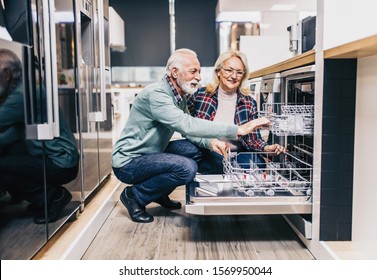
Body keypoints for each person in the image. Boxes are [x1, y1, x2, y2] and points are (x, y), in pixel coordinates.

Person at [112, 48, 270, 223]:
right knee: (186, 168)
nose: (199, 77)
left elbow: (188, 129)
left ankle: (159, 193)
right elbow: (186, 124)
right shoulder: (157, 94)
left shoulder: (179, 97)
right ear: (174, 72)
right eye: (193, 71)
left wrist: (210, 143)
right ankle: (134, 196)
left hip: (153, 153)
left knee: (194, 153)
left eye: (199, 72)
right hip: (129, 161)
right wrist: (237, 130)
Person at [0, 48, 79, 224]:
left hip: (59, 162)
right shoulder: (24, 90)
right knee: (7, 156)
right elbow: (15, 132)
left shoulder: (21, 96)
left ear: (6, 73)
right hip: (61, 159)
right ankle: (41, 197)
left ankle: (52, 196)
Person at [181, 49, 286, 174]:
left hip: (238, 151)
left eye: (239, 72)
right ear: (218, 71)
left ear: (243, 76)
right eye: (229, 70)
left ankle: (224, 171)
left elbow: (253, 139)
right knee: (210, 158)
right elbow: (186, 123)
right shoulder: (201, 95)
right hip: (209, 149)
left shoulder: (249, 102)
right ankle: (227, 170)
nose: (234, 76)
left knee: (258, 163)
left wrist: (267, 148)